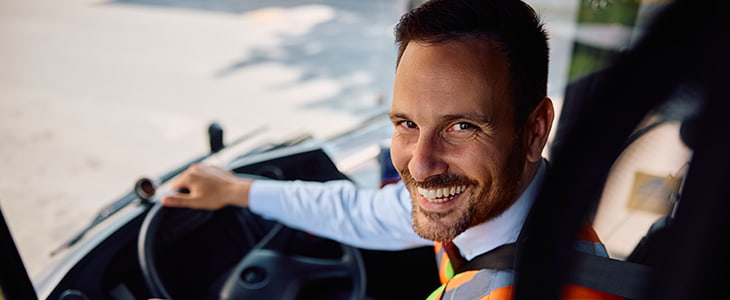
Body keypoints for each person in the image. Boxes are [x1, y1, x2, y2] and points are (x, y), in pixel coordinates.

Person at [162, 0, 621, 299]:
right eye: (407, 123)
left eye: (461, 126)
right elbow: (362, 212)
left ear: (535, 129)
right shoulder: (495, 203)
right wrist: (239, 191)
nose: (420, 165)